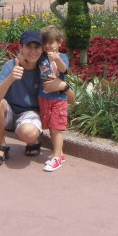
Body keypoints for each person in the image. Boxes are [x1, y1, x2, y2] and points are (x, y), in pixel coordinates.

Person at [0, 30, 69, 168]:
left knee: (29, 134)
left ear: (42, 49)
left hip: (30, 114)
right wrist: (11, 78)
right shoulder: (10, 66)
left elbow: (71, 98)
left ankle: (33, 140)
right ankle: (1, 147)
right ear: (21, 47)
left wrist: (63, 86)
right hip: (9, 111)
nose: (33, 51)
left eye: (37, 47)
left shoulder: (45, 67)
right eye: (29, 46)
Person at [38, 25, 70, 172]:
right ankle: (60, 153)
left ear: (60, 42)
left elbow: (64, 70)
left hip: (58, 99)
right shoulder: (41, 57)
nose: (47, 46)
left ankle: (56, 158)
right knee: (51, 127)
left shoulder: (62, 57)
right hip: (44, 98)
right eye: (45, 43)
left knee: (57, 128)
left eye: (51, 42)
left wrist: (56, 59)